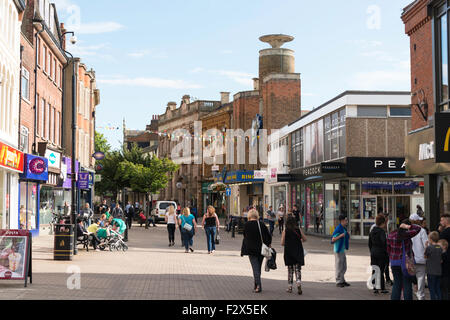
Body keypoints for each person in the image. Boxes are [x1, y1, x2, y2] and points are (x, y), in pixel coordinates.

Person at [387, 220, 421, 300]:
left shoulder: (391, 235)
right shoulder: (407, 234)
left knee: (397, 283)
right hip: (406, 263)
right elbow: (418, 228)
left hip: (394, 262)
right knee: (407, 284)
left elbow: (388, 250)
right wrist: (408, 226)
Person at [240, 209, 272, 293]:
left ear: (249, 216)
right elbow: (268, 236)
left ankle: (258, 285)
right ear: (257, 215)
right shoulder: (261, 224)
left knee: (255, 268)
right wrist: (268, 244)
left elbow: (244, 235)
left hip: (251, 249)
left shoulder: (246, 225)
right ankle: (256, 284)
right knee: (258, 268)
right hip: (261, 249)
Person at [281, 215, 306, 295]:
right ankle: (298, 282)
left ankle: (290, 287)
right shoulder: (298, 229)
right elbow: (305, 239)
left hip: (288, 251)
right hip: (298, 251)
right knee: (298, 269)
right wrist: (300, 240)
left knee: (290, 270)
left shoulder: (285, 230)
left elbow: (282, 243)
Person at [368, 214, 389, 294]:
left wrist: (371, 250)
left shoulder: (372, 231)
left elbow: (369, 243)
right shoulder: (382, 232)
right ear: (382, 223)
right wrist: (386, 252)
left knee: (375, 269)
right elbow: (384, 243)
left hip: (373, 252)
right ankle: (382, 287)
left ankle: (375, 286)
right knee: (381, 270)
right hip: (381, 253)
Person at [409, 213, 428, 300]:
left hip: (410, 259)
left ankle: (411, 294)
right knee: (421, 278)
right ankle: (420, 295)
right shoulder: (422, 230)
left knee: (409, 278)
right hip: (421, 258)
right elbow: (426, 245)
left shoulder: (407, 230)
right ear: (417, 221)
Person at [332, 215, 350, 288]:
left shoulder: (343, 228)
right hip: (338, 250)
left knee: (344, 266)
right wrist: (341, 236)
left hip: (342, 249)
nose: (346, 221)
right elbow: (333, 239)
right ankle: (338, 281)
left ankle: (342, 280)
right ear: (342, 221)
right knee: (339, 265)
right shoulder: (338, 229)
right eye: (345, 220)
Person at [425, 231, 443, 300]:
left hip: (431, 271)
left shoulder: (429, 248)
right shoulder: (440, 248)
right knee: (437, 288)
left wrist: (426, 247)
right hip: (438, 271)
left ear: (430, 239)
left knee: (432, 288)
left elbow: (425, 256)